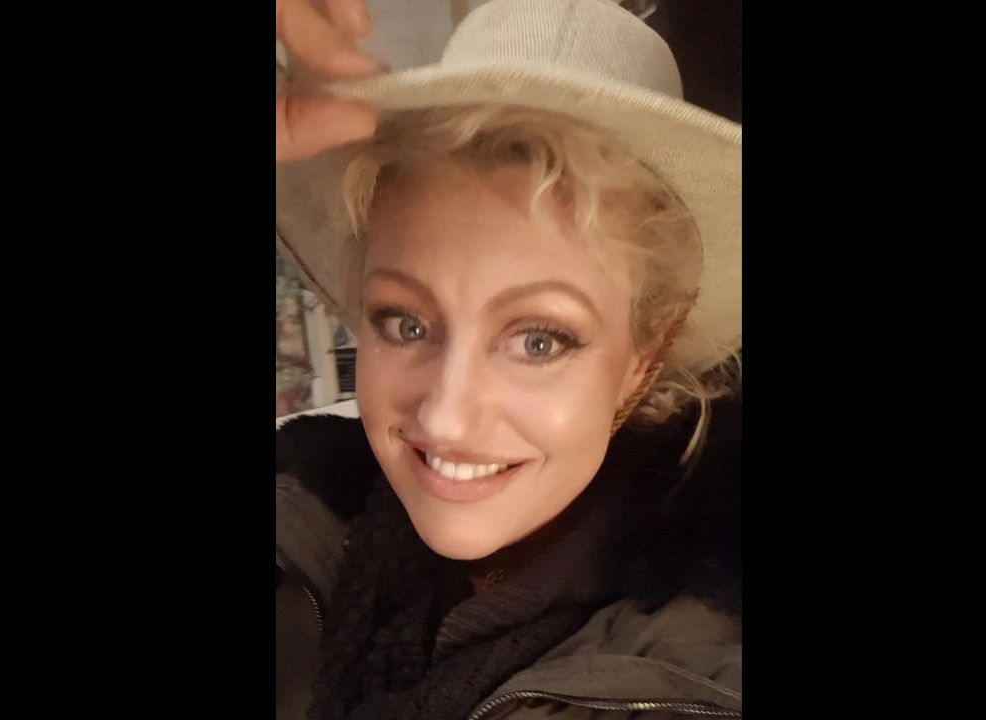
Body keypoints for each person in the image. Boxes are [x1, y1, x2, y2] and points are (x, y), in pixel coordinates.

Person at [275, 2, 742, 718]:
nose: (447, 417)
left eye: (538, 341)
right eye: (406, 323)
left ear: (643, 357)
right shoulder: (304, 520)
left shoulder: (701, 671)